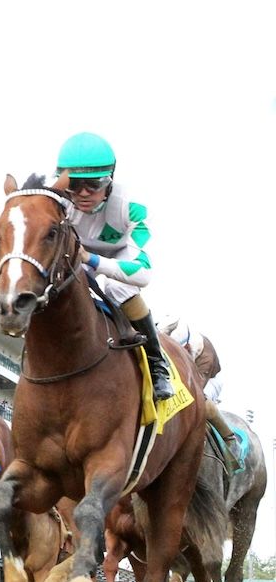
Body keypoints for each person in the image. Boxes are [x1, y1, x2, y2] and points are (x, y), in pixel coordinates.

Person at [55, 132, 173, 402]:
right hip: (77, 255)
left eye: (94, 184)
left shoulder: (133, 207)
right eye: (74, 184)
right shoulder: (57, 201)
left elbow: (142, 273)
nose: (83, 194)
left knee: (119, 287)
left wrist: (92, 260)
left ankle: (157, 364)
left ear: (110, 181)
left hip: (118, 254)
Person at [162, 318, 242, 470]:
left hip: (211, 381)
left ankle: (230, 441)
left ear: (186, 347)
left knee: (198, 402)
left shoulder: (205, 358)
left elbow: (193, 391)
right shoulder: (177, 342)